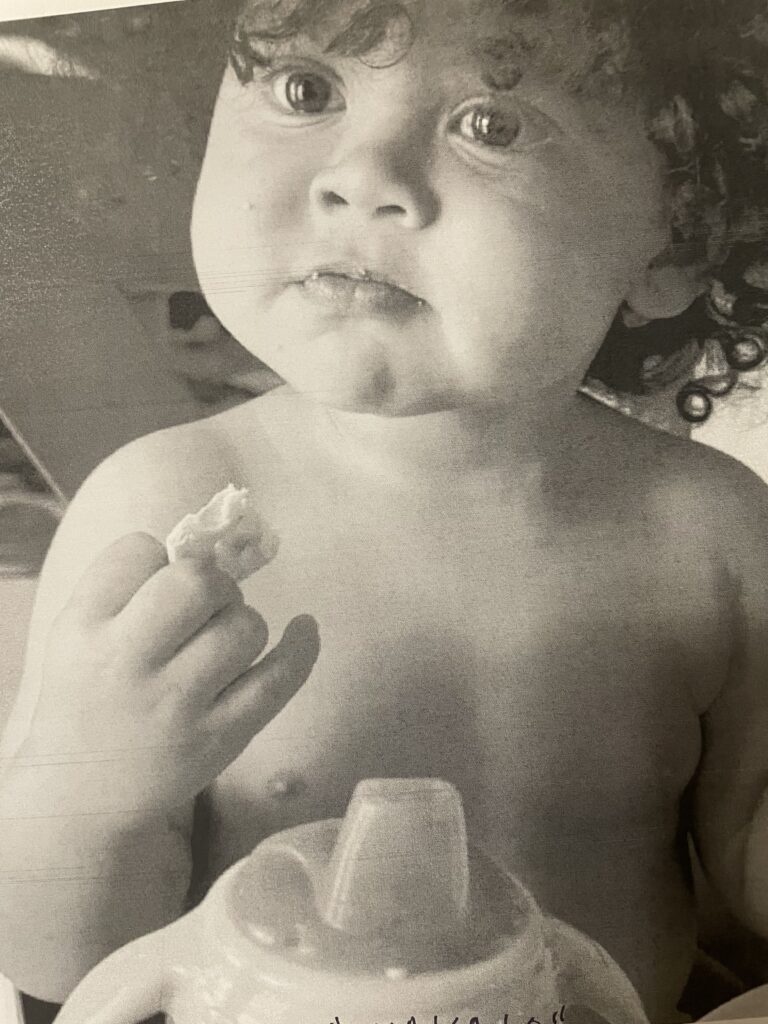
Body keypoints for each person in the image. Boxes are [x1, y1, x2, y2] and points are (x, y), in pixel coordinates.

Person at [2, 1, 768, 1020]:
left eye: (491, 123)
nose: (362, 176)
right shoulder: (154, 510)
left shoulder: (709, 532)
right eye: (305, 90)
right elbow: (64, 966)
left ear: (677, 239)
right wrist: (92, 797)